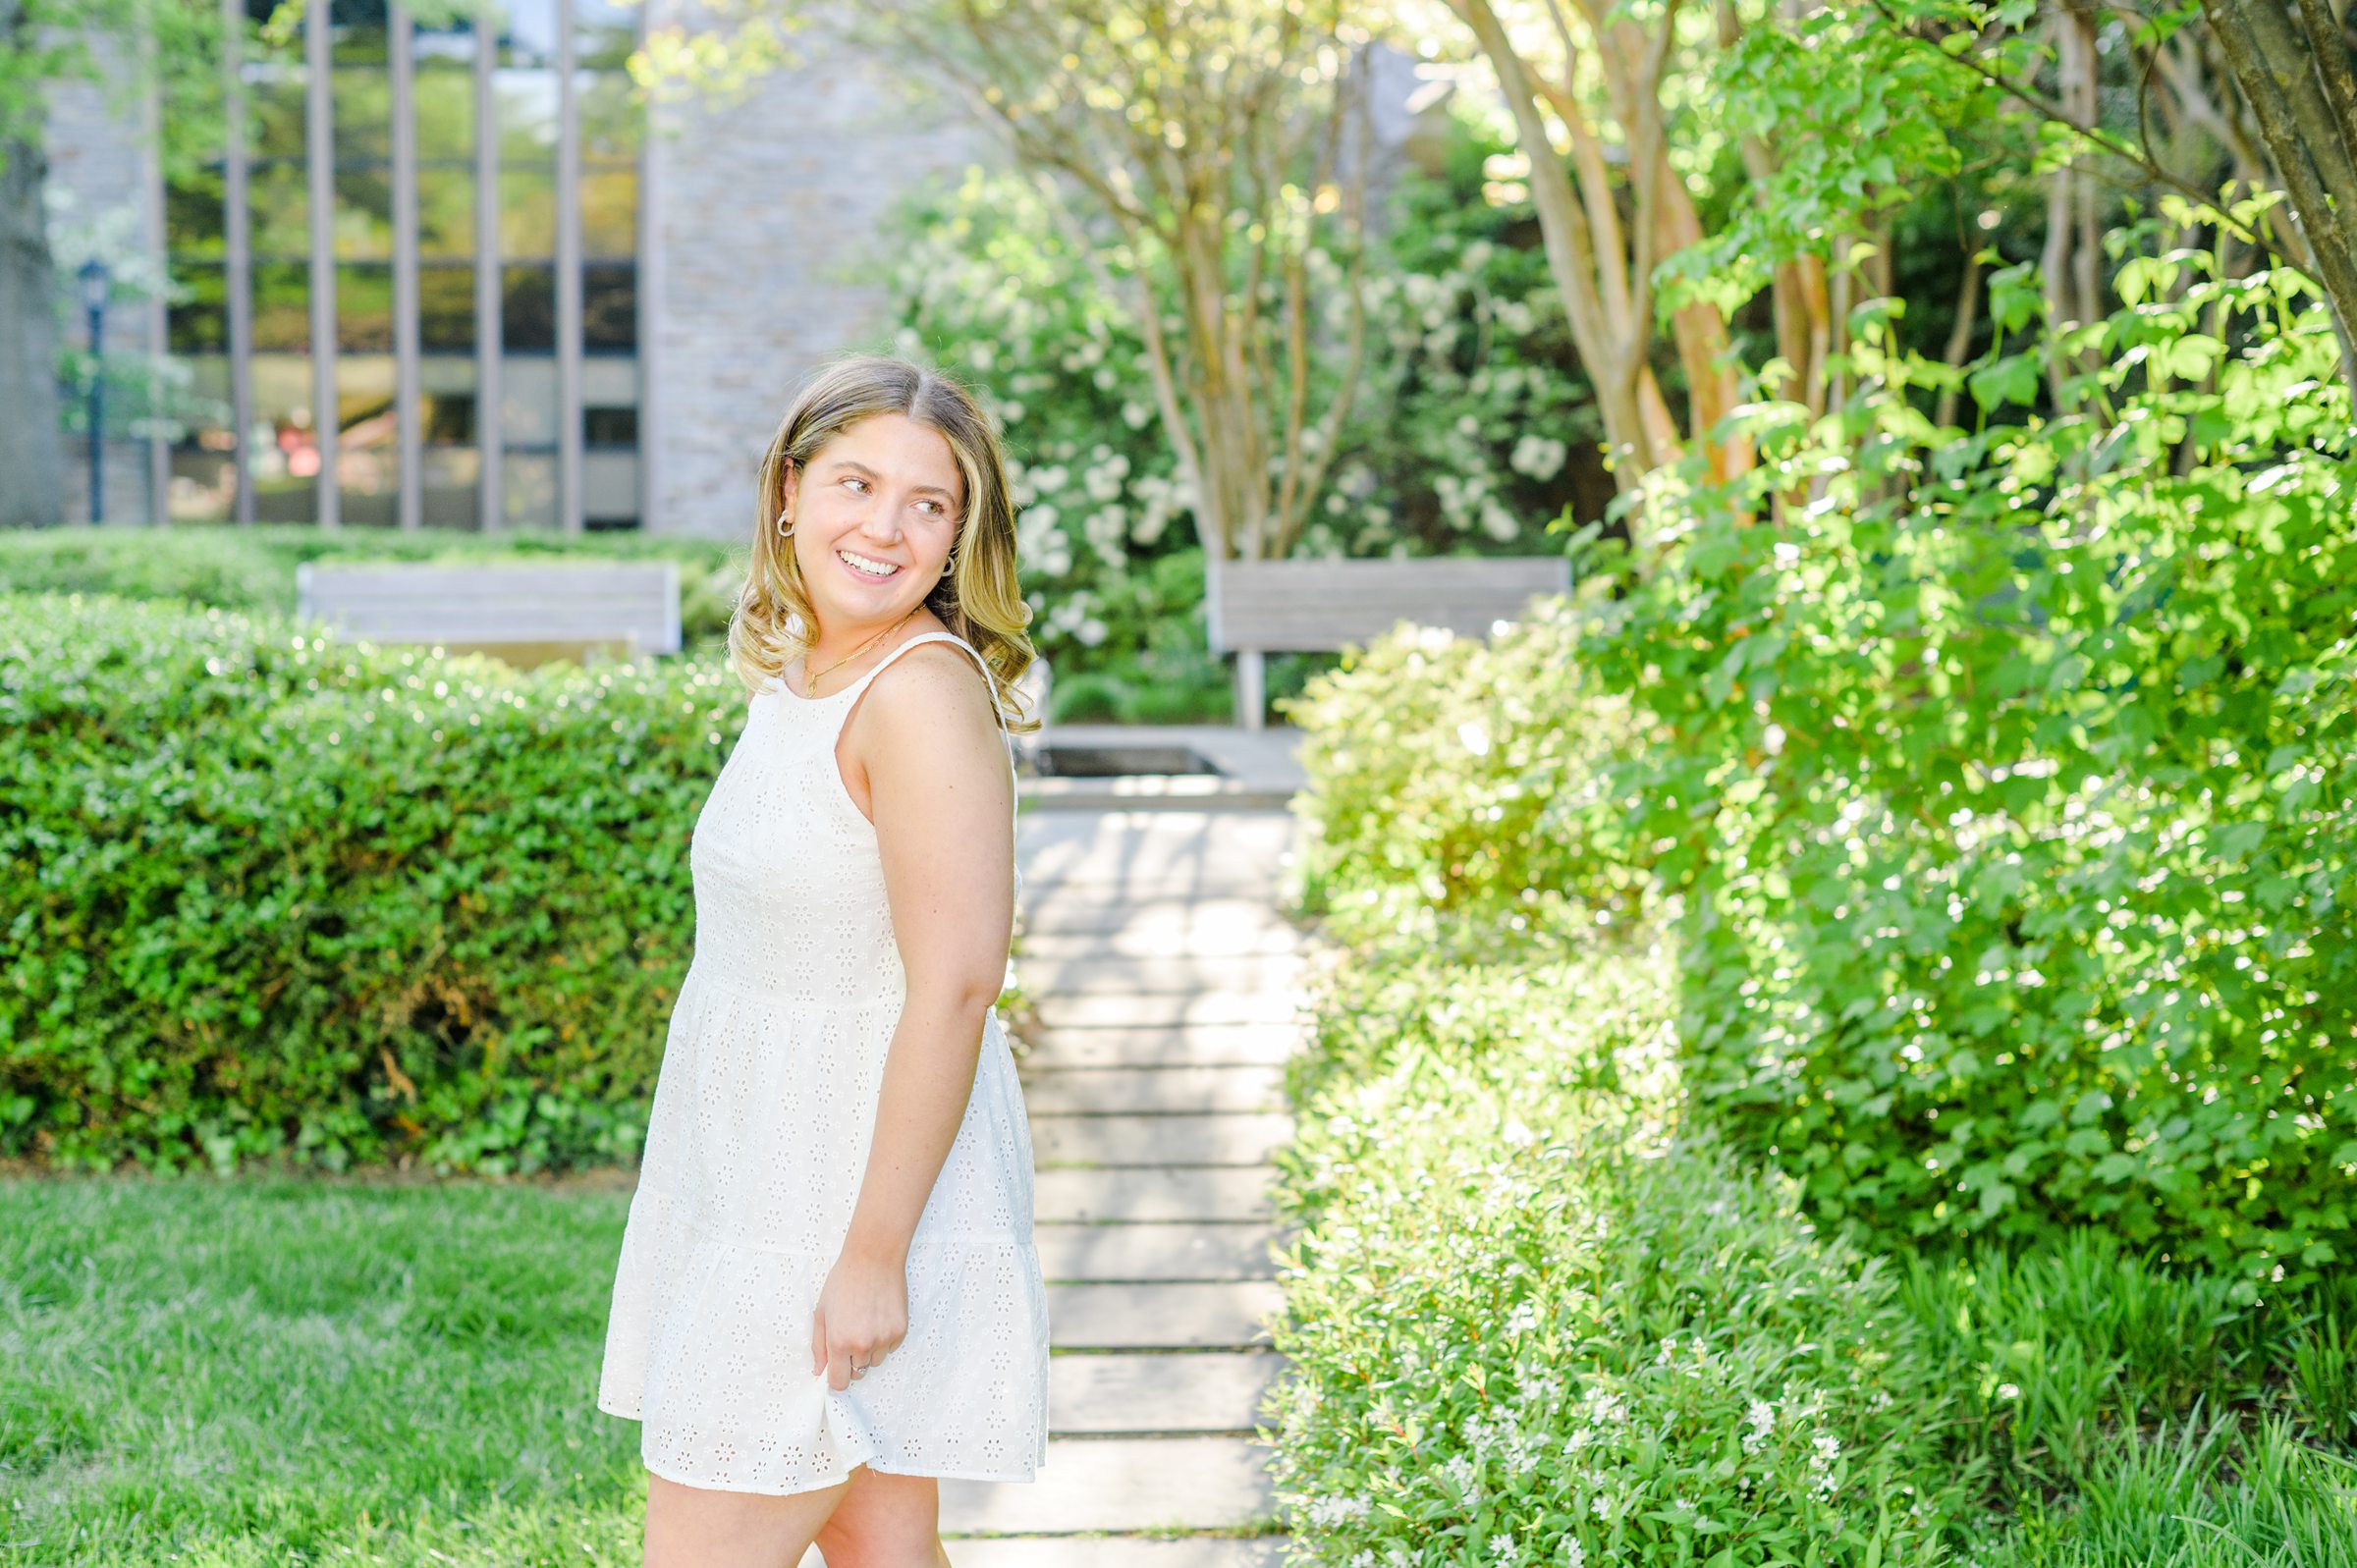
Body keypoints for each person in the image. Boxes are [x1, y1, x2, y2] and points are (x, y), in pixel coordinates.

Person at [596, 353, 1051, 1567]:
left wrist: (870, 1258)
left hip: (840, 1207)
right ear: (790, 491)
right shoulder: (800, 677)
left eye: (929, 503)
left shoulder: (918, 695)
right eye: (857, 483)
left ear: (961, 536)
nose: (886, 528)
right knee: (884, 1549)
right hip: (760, 1177)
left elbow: (956, 986)